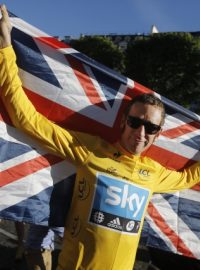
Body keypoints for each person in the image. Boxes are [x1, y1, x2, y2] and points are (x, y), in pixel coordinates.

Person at [0, 5, 200, 270]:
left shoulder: (154, 174)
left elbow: (189, 177)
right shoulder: (91, 150)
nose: (141, 133)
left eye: (150, 128)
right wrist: (5, 48)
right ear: (123, 121)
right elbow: (28, 119)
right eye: (135, 122)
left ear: (158, 133)